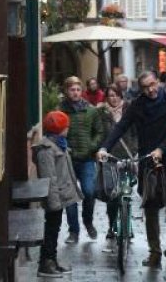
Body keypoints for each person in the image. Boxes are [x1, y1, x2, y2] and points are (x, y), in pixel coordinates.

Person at [98, 71, 166, 269]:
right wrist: (104, 148)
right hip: (146, 161)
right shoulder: (137, 105)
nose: (151, 90)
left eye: (153, 85)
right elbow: (121, 127)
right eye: (145, 87)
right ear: (141, 88)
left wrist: (162, 149)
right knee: (151, 207)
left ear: (158, 83)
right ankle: (154, 251)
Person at [58, 76, 108, 244]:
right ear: (66, 91)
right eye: (72, 90)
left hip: (87, 159)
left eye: (78, 89)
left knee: (89, 191)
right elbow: (54, 131)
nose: (76, 93)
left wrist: (92, 146)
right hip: (68, 159)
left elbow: (99, 132)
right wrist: (63, 147)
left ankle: (88, 221)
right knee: (70, 197)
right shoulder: (60, 111)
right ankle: (74, 231)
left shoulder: (91, 111)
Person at [32, 111, 82, 278]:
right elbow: (49, 178)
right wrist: (53, 202)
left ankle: (52, 260)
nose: (68, 129)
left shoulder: (59, 144)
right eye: (66, 126)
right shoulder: (46, 149)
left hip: (60, 196)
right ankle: (46, 263)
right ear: (59, 129)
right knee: (51, 229)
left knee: (55, 229)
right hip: (55, 197)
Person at [100, 84, 138, 239]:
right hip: (110, 158)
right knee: (112, 195)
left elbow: (136, 133)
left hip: (128, 156)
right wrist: (102, 149)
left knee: (126, 193)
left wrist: (134, 150)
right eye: (110, 96)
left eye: (115, 95)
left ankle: (127, 225)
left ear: (121, 96)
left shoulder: (129, 111)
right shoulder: (102, 114)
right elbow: (100, 133)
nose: (113, 98)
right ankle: (112, 226)